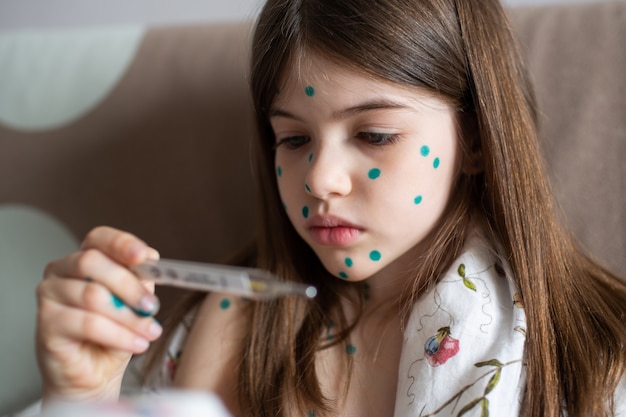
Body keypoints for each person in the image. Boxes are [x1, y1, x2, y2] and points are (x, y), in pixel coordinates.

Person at [34, 0, 626, 416]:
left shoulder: (597, 359)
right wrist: (82, 400)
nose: (319, 179)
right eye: (293, 140)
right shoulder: (207, 336)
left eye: (374, 135)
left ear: (474, 138)